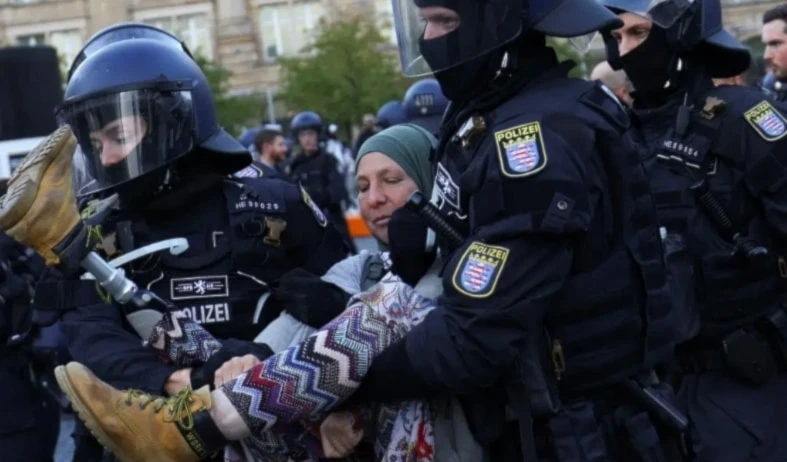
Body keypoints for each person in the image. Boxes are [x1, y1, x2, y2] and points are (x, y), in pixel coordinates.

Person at [37, 0, 687, 461]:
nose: (428, 37)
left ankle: (217, 418)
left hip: (576, 428)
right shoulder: (505, 124)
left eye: (442, 21)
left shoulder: (535, 135)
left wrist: (302, 388)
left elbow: (468, 336)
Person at [7, 21, 348, 461]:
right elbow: (90, 340)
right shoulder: (89, 230)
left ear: (175, 119)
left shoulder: (275, 203)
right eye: (96, 142)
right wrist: (185, 383)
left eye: (120, 136)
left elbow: (348, 304)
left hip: (279, 436)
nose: (108, 156)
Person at [602, 1, 787, 460]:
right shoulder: (616, 135)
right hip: (657, 393)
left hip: (751, 387)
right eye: (617, 36)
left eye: (638, 34)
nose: (622, 52)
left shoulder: (746, 118)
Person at [285, 111, 356, 253]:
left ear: (318, 135)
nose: (307, 139)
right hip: (304, 225)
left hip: (330, 221)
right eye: (303, 135)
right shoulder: (294, 165)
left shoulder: (328, 160)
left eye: (311, 134)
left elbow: (338, 192)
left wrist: (313, 196)